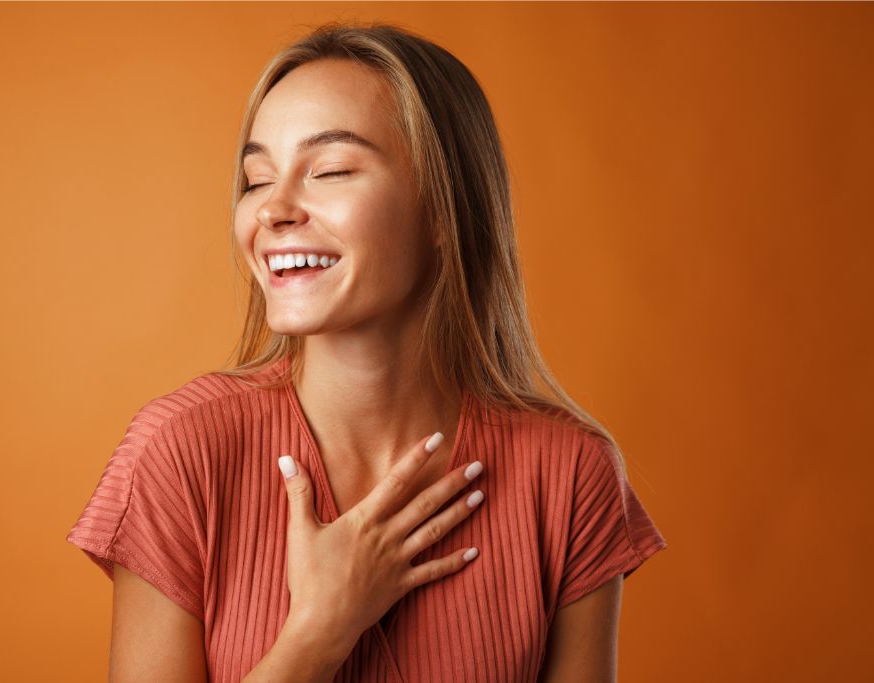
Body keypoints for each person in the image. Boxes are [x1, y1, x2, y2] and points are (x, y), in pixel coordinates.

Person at [66, 21, 667, 683]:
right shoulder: (179, 451)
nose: (273, 210)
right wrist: (320, 629)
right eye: (257, 179)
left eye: (329, 170)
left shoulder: (571, 475)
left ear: (444, 209)